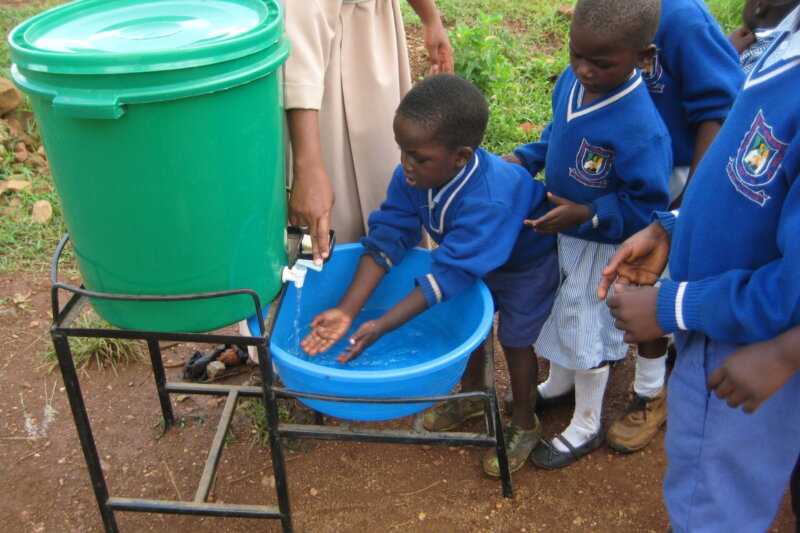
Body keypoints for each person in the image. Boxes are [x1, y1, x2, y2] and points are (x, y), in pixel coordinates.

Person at [598, 4, 800, 529]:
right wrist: (675, 226)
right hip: (744, 327)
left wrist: (673, 305)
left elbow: (788, 290)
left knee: (714, 505)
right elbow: (746, 179)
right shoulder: (784, 37)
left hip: (743, 346)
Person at [300, 73, 559, 477]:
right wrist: (348, 311)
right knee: (472, 322)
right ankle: (473, 395)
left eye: (419, 157)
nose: (406, 165)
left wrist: (381, 325)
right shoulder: (415, 176)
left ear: (460, 156)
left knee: (516, 339)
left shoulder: (489, 199)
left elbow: (450, 273)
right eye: (403, 150)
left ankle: (525, 422)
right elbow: (386, 240)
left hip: (525, 266)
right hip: (474, 257)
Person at [505, 0, 670, 469]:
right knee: (559, 308)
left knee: (586, 326)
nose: (584, 69)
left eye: (601, 62)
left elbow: (647, 207)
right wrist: (527, 157)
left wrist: (588, 212)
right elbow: (558, 133)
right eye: (577, 54)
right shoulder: (571, 82)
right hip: (566, 230)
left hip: (605, 246)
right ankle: (559, 384)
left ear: (642, 56)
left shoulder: (642, 129)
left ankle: (587, 422)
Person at [603, 0, 746, 456]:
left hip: (675, 175)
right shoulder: (606, 12)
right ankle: (593, 363)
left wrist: (684, 209)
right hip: (626, 170)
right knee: (612, 274)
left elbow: (719, 113)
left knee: (646, 283)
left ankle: (651, 391)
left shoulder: (683, 21)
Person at [281, 0, 454, 265]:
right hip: (326, 55)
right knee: (333, 214)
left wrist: (430, 17)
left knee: (389, 183)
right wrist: (308, 169)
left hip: (376, 29)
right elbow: (300, 49)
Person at [728, 0, 800, 73]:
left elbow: (733, 81)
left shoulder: (755, 51)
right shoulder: (791, 43)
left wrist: (729, 50)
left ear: (759, 5)